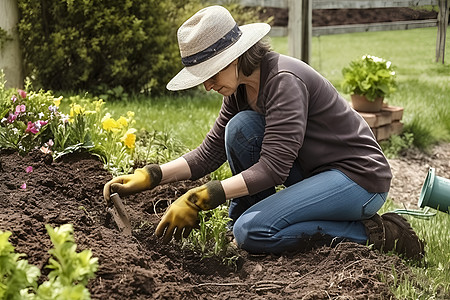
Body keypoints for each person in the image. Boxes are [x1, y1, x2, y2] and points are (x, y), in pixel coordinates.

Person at [104, 5, 424, 260]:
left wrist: (203, 197)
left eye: (211, 72)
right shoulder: (240, 90)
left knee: (254, 231)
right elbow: (208, 153)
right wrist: (152, 176)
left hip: (357, 180)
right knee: (239, 129)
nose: (207, 85)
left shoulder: (285, 80)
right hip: (315, 173)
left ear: (237, 56)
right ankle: (244, 219)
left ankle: (377, 233)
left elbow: (273, 168)